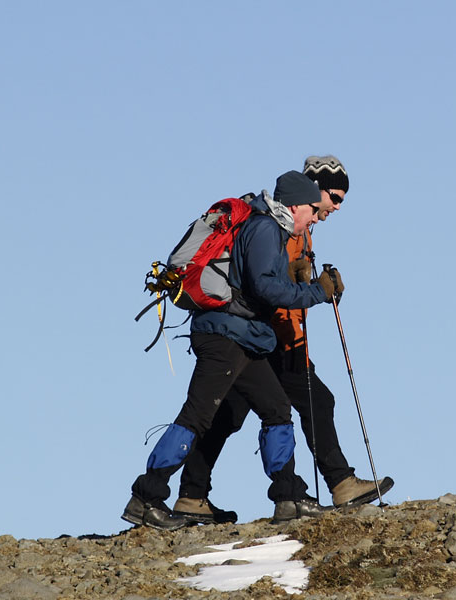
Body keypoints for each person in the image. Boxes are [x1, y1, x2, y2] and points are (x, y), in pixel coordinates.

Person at [172, 156, 394, 525]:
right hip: (271, 338)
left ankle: (192, 494)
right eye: (334, 197)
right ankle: (334, 485)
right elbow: (269, 288)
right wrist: (315, 292)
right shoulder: (282, 228)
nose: (337, 207)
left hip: (261, 336)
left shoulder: (298, 229)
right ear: (314, 190)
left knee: (228, 415)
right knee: (314, 402)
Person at [122, 170, 344, 530]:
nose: (316, 217)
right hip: (225, 337)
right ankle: (146, 497)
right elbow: (264, 289)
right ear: (296, 204)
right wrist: (317, 292)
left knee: (276, 409)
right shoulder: (266, 229)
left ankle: (289, 497)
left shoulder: (269, 227)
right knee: (197, 416)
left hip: (243, 336)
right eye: (313, 209)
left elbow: (256, 282)